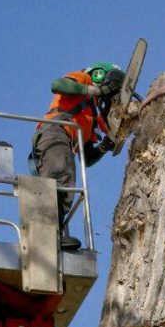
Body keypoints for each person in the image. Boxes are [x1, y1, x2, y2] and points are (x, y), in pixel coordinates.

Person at [31, 62, 124, 249]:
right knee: (59, 175)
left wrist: (104, 147)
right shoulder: (83, 78)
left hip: (67, 140)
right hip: (55, 131)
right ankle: (47, 236)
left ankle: (54, 234)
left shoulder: (91, 117)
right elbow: (58, 85)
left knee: (66, 185)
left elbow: (87, 158)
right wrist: (96, 90)